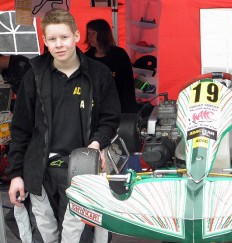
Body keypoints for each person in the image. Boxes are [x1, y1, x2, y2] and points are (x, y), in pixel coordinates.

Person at [6, 9, 120, 242]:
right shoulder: (34, 74)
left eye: (64, 37)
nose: (59, 44)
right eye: (52, 39)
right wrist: (16, 175)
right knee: (44, 235)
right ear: (45, 42)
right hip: (40, 172)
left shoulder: (99, 74)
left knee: (79, 236)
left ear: (77, 36)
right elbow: (20, 130)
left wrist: (95, 144)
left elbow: (110, 120)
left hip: (82, 171)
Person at [85, 19, 137, 113]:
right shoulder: (87, 57)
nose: (89, 36)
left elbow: (127, 85)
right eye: (88, 33)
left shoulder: (119, 55)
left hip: (118, 106)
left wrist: (128, 111)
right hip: (95, 108)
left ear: (103, 34)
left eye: (93, 33)